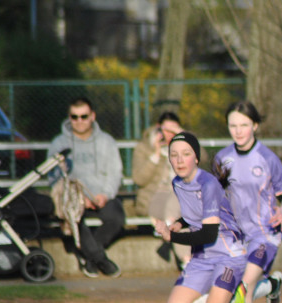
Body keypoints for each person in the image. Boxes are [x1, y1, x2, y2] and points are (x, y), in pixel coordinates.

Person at [153, 131, 248, 303]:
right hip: (202, 256)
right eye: (174, 155)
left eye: (185, 154)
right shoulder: (178, 182)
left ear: (196, 157)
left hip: (229, 255)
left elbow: (209, 232)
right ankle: (233, 295)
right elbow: (194, 217)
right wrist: (177, 225)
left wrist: (171, 239)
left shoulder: (209, 184)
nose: (179, 160)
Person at [213, 101, 282, 303]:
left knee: (242, 292)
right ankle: (272, 285)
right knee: (234, 293)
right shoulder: (222, 158)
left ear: (255, 126)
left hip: (265, 235)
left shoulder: (267, 158)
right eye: (233, 125)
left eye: (244, 125)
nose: (238, 130)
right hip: (235, 238)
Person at [46, 96, 124, 277]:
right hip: (73, 199)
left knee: (117, 217)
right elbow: (54, 177)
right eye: (74, 117)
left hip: (100, 196)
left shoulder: (107, 141)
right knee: (73, 216)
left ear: (92, 116)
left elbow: (114, 173)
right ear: (69, 117)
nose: (79, 121)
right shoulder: (59, 143)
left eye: (84, 116)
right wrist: (81, 199)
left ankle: (88, 258)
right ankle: (100, 259)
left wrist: (105, 194)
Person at [131, 111, 195, 268]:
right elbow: (139, 179)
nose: (170, 135)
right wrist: (156, 155)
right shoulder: (144, 148)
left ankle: (186, 261)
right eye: (167, 130)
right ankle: (187, 259)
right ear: (159, 129)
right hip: (155, 198)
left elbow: (202, 161)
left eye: (174, 131)